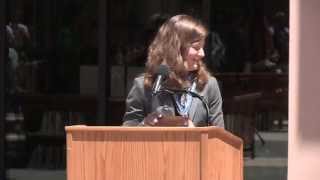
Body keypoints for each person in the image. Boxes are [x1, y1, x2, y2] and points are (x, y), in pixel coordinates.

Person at [122, 14, 224, 128]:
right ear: (176, 48)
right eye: (196, 47)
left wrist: (194, 133)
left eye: (203, 47)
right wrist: (145, 124)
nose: (202, 54)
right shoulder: (143, 86)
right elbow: (127, 134)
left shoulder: (209, 85)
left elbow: (219, 136)